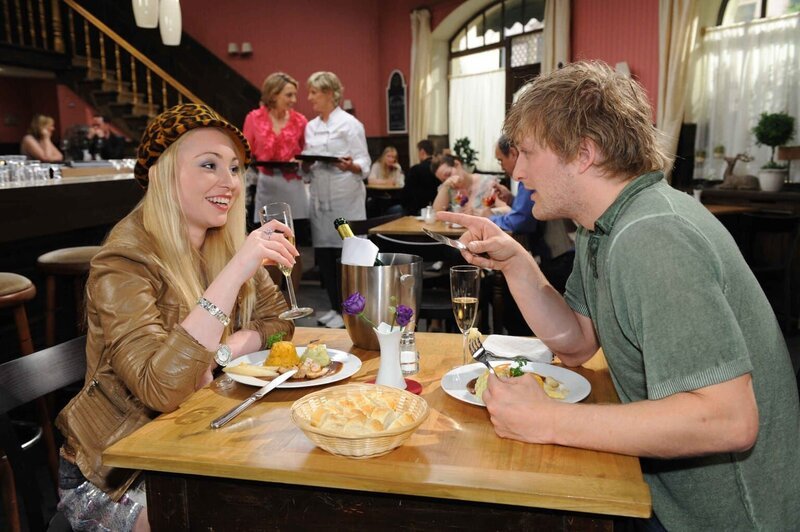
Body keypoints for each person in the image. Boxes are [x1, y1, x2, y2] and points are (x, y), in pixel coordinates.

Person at [438, 60, 799, 530]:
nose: (518, 171)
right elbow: (577, 342)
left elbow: (728, 420)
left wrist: (545, 419)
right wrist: (516, 264)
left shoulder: (653, 235)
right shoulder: (602, 227)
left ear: (584, 153)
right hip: (660, 490)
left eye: (527, 152)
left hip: (721, 517)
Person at [55, 103, 295, 532]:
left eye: (236, 169)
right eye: (209, 165)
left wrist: (223, 350)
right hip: (119, 473)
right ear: (164, 174)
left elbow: (279, 322)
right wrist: (237, 270)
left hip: (197, 441)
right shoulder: (123, 260)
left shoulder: (221, 242)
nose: (230, 183)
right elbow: (160, 389)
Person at [302, 71, 370, 329]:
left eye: (314, 93)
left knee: (347, 255)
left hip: (345, 197)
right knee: (326, 256)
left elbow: (364, 163)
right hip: (320, 197)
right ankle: (333, 306)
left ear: (330, 94)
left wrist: (351, 165)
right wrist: (306, 164)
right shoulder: (311, 127)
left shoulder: (351, 125)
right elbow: (306, 167)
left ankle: (351, 311)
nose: (310, 98)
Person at [243, 72, 309, 290]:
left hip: (294, 188)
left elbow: (307, 153)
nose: (293, 100)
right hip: (267, 186)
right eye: (288, 95)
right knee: (269, 245)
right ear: (274, 94)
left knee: (292, 245)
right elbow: (244, 151)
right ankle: (273, 300)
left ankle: (293, 298)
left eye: (294, 95)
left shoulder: (300, 121)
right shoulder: (253, 118)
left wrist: (300, 160)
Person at [430, 154, 505, 214]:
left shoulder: (488, 183)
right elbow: (436, 213)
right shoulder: (449, 188)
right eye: (444, 180)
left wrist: (484, 213)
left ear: (457, 164)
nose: (449, 180)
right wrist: (445, 186)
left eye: (449, 174)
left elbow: (507, 210)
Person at [401, 139, 439, 215]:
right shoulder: (439, 168)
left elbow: (406, 194)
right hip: (436, 207)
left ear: (422, 151)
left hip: (415, 211)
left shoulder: (416, 169)